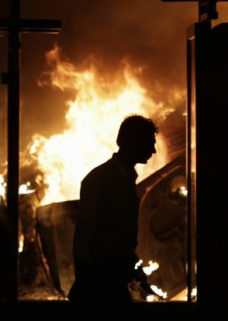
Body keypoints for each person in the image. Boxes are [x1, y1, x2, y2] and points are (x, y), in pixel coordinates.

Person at [69, 114, 158, 314]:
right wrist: (85, 283)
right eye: (149, 143)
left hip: (111, 277)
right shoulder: (100, 181)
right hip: (101, 280)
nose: (153, 150)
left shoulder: (122, 179)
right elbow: (84, 237)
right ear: (134, 143)